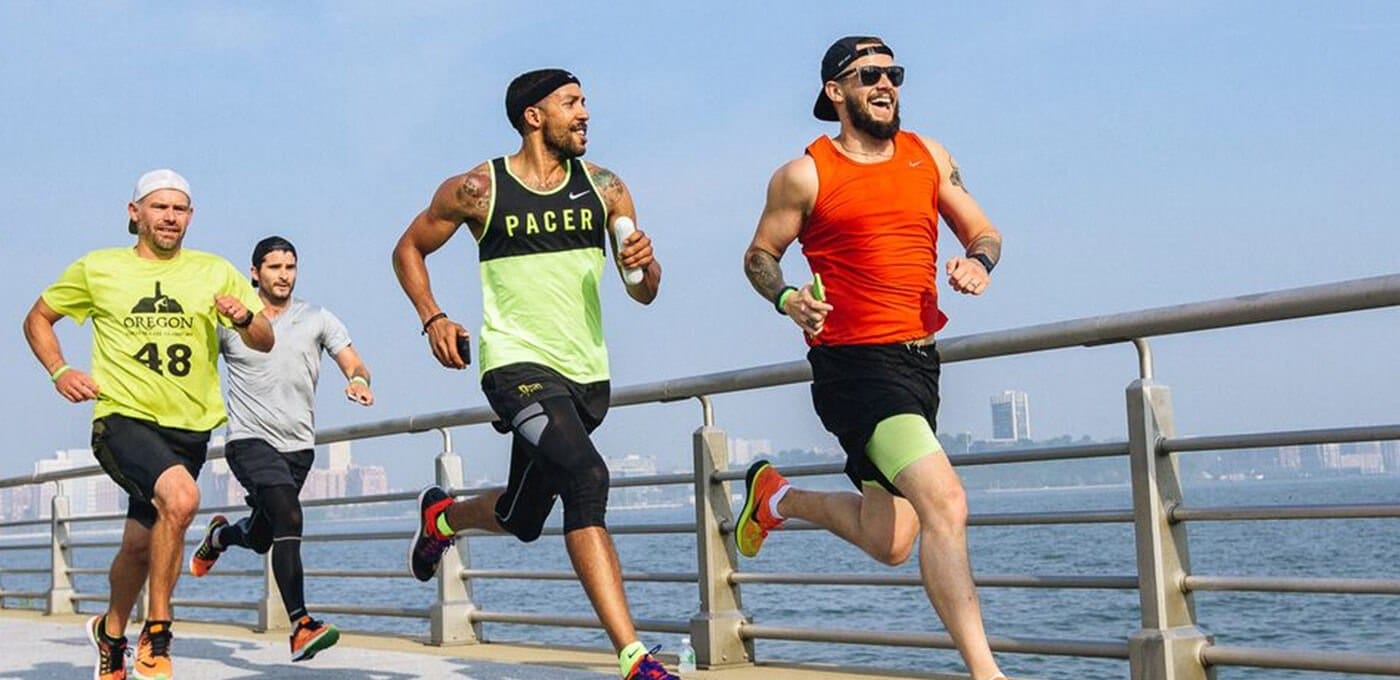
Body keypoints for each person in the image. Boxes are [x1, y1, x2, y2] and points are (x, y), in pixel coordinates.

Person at [391, 69, 677, 680]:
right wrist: (433, 316)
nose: (585, 114)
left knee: (522, 519)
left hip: (586, 376)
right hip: (514, 364)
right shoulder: (478, 189)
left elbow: (644, 294)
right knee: (587, 476)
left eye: (585, 103)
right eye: (571, 103)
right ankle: (633, 656)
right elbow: (408, 248)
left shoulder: (606, 188)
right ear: (532, 115)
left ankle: (441, 517)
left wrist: (646, 268)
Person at [738, 36, 1008, 680]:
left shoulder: (927, 155)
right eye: (868, 75)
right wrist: (786, 299)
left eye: (894, 73)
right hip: (854, 368)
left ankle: (778, 498)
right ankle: (987, 673)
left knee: (892, 542)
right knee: (946, 502)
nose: (886, 85)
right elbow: (758, 256)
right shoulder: (805, 174)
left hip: (920, 364)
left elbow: (985, 229)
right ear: (837, 92)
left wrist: (978, 261)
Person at [22, 169, 273, 680]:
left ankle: (110, 634)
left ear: (191, 217)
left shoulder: (214, 271)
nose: (169, 218)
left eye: (179, 209)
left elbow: (265, 339)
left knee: (141, 544)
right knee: (181, 500)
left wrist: (245, 319)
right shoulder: (99, 269)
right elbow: (37, 318)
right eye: (159, 207)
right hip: (122, 419)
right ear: (134, 212)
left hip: (190, 428)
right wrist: (60, 370)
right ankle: (157, 634)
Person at [188, 235, 374, 662]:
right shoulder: (231, 319)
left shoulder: (317, 317)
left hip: (299, 446)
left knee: (262, 536)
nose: (284, 276)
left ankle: (220, 536)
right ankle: (301, 625)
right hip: (249, 440)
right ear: (254, 272)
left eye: (290, 268)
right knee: (289, 514)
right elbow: (196, 366)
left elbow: (353, 360)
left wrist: (358, 379)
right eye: (274, 268)